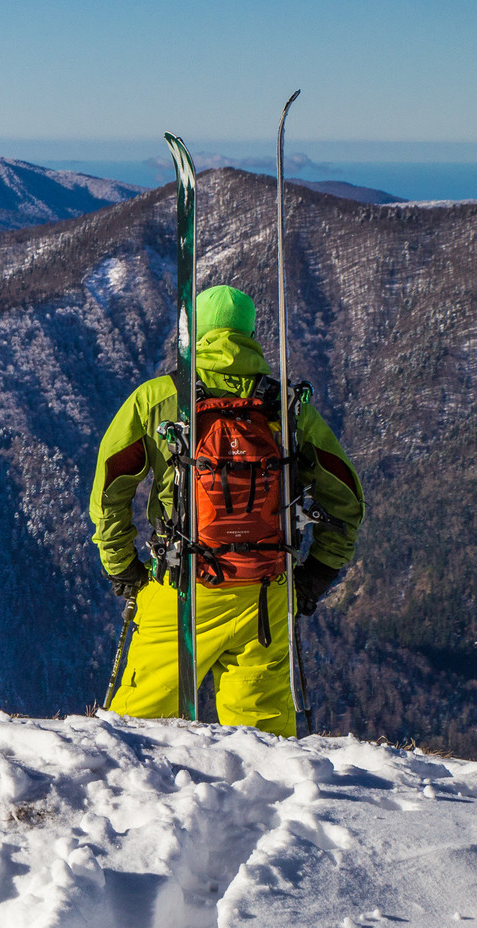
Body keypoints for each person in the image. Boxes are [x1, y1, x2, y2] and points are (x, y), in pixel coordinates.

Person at [92, 284, 363, 736]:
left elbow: (111, 488)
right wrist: (315, 575)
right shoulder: (286, 407)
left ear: (193, 333)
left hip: (181, 589)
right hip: (266, 591)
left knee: (133, 737)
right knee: (267, 744)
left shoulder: (160, 397)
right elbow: (347, 498)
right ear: (250, 333)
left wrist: (123, 568)